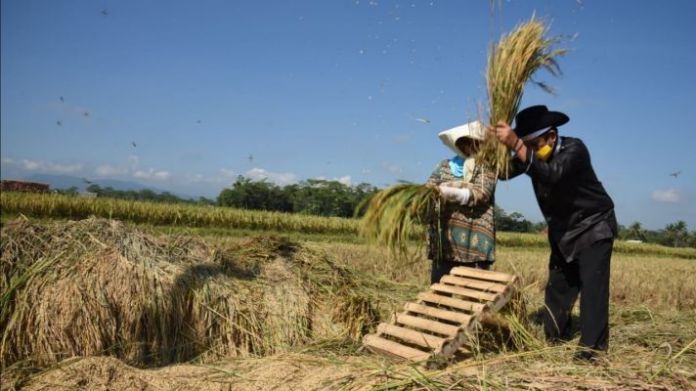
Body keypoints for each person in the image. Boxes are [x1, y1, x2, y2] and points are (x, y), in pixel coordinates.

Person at [490, 105, 617, 361]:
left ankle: (592, 350)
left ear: (551, 135)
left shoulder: (574, 149)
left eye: (535, 144)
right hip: (563, 231)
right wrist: (491, 148)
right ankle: (555, 336)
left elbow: (552, 175)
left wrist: (516, 144)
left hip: (593, 226)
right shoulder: (534, 155)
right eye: (528, 145)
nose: (533, 150)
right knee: (559, 287)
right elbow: (503, 173)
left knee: (593, 289)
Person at [426, 120, 497, 284]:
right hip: (446, 239)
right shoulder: (445, 166)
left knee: (473, 293)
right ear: (460, 145)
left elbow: (480, 194)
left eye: (477, 143)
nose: (471, 147)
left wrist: (445, 190)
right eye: (466, 143)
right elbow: (428, 189)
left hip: (475, 240)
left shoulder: (487, 167)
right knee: (440, 289)